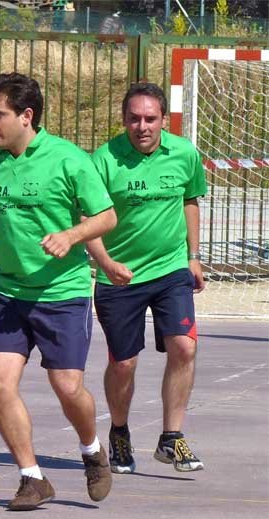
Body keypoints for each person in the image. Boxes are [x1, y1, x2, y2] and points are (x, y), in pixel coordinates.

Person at [0, 72, 117, 511]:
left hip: (62, 293)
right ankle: (31, 477)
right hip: (9, 293)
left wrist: (71, 235)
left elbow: (106, 217)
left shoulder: (68, 159)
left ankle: (91, 450)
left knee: (67, 387)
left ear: (26, 116)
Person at [88, 82, 207, 475]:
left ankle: (171, 438)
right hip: (120, 276)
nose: (142, 127)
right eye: (134, 119)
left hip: (171, 268)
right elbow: (87, 221)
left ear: (163, 121)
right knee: (124, 364)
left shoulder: (184, 153)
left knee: (184, 347)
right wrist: (105, 263)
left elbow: (189, 200)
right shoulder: (104, 161)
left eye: (150, 119)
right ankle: (119, 432)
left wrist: (192, 256)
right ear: (124, 121)